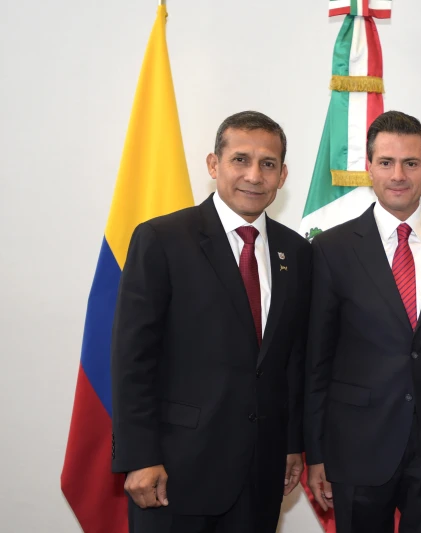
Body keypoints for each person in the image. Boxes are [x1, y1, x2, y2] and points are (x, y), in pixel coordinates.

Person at [111, 111, 311, 533]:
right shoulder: (161, 240)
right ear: (213, 165)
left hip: (260, 472)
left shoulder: (296, 252)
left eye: (268, 164)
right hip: (174, 471)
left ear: (283, 174)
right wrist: (139, 456)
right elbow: (132, 359)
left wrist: (292, 444)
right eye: (240, 159)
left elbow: (291, 359)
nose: (254, 175)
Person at [304, 111, 421, 533]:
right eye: (386, 162)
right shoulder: (331, 249)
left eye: (411, 163)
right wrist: (316, 452)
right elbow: (316, 359)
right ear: (368, 167)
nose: (398, 175)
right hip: (357, 445)